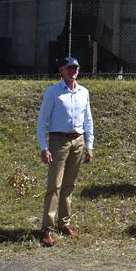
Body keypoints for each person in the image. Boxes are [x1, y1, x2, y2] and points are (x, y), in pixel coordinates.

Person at [36, 57, 94, 247]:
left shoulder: (83, 92)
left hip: (77, 141)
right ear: (61, 70)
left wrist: (89, 145)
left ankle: (64, 223)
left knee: (69, 184)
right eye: (69, 68)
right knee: (54, 185)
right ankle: (47, 228)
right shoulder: (53, 92)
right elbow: (42, 120)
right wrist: (44, 147)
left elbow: (88, 120)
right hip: (58, 141)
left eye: (76, 68)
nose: (73, 71)